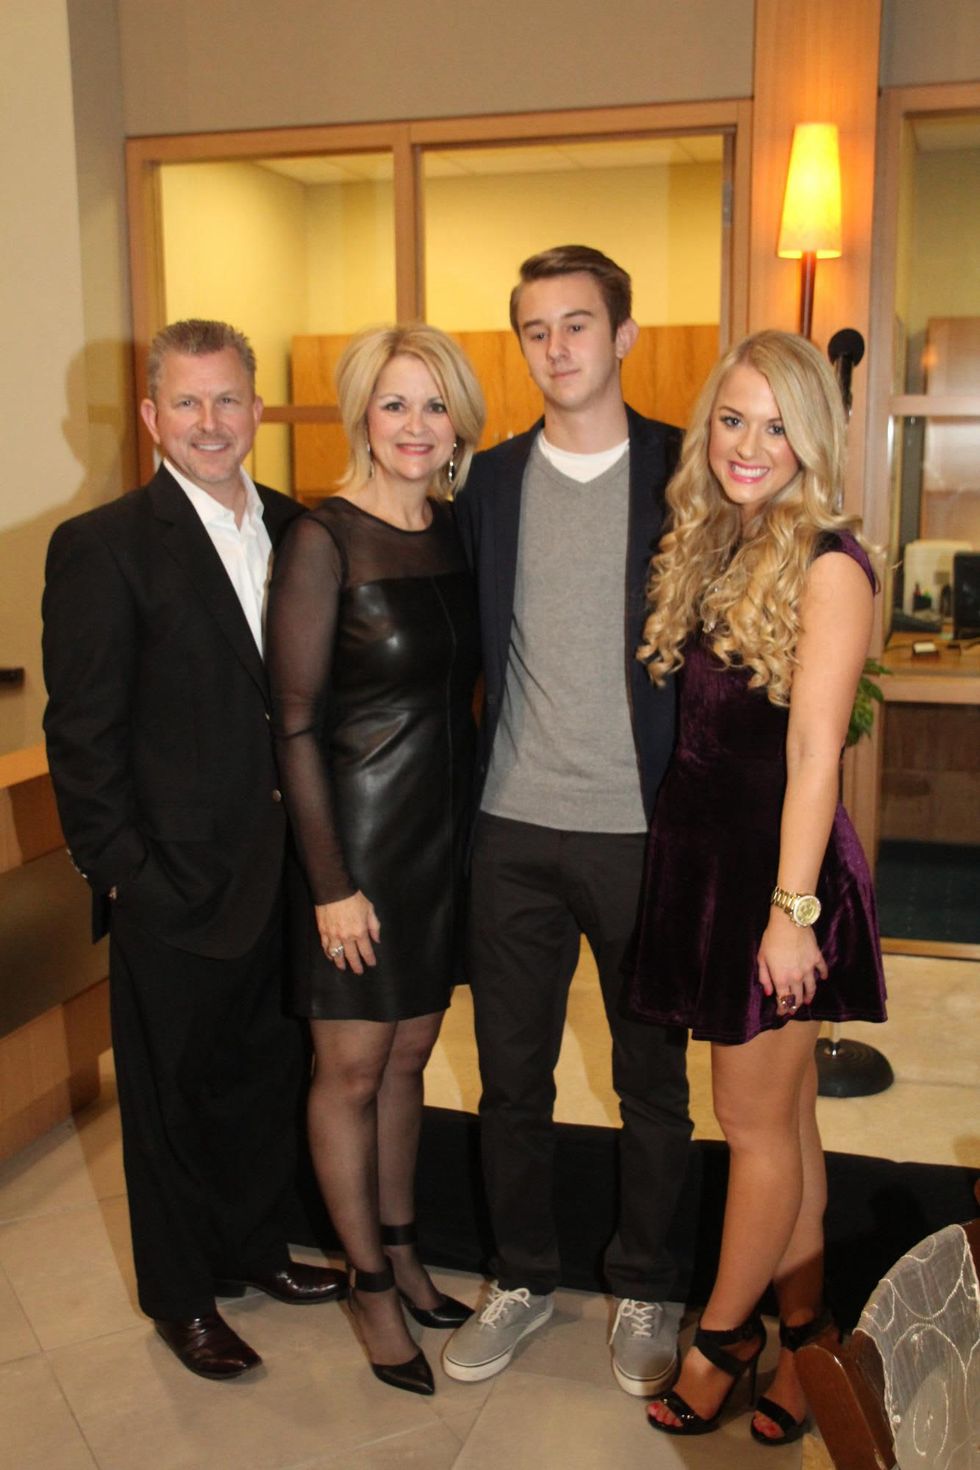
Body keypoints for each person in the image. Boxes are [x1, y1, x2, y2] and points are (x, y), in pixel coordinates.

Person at [41, 319, 348, 1381]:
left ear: (255, 409)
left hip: (286, 876)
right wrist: (124, 874)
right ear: (151, 416)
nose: (209, 423)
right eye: (186, 402)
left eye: (226, 400)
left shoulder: (302, 529)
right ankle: (182, 1298)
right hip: (172, 882)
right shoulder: (103, 546)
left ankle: (254, 1248)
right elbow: (82, 736)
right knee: (170, 1106)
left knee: (265, 1079)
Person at [625, 329, 887, 1442]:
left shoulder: (828, 562)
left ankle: (724, 1338)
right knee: (787, 1124)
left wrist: (791, 917)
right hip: (714, 867)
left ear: (812, 439)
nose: (747, 444)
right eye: (732, 418)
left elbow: (817, 756)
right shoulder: (724, 539)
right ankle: (805, 1341)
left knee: (750, 1126)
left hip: (776, 882)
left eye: (776, 426)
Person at [443, 246, 693, 1393]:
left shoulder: (685, 472)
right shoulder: (488, 483)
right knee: (510, 1081)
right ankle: (520, 1276)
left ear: (622, 335)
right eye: (535, 329)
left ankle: (648, 1285)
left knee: (650, 1082)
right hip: (510, 827)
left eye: (577, 324)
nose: (556, 348)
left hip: (643, 831)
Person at [265, 323, 485, 1396]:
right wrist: (331, 885)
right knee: (350, 1069)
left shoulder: (453, 531)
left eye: (434, 404)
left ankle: (402, 1248)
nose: (415, 424)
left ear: (458, 422)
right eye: (395, 402)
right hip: (353, 844)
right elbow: (294, 721)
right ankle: (366, 1284)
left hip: (439, 843)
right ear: (362, 412)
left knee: (407, 1059)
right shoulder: (323, 538)